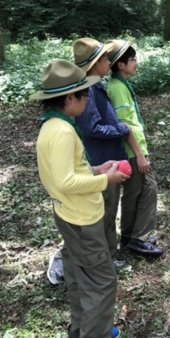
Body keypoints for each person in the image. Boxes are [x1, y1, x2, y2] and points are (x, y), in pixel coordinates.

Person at [31, 59, 129, 338]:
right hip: (81, 218)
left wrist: (96, 168)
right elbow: (65, 181)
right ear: (69, 98)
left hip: (68, 214)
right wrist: (105, 179)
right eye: (83, 95)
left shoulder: (54, 125)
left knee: (78, 276)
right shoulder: (62, 132)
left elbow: (69, 171)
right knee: (102, 280)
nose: (88, 100)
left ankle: (82, 333)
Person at [70, 38, 132, 271]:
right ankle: (106, 259)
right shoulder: (88, 90)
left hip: (108, 157)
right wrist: (121, 129)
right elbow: (92, 127)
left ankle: (107, 255)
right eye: (105, 58)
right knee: (105, 211)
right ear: (95, 64)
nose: (109, 61)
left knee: (109, 209)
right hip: (101, 160)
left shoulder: (96, 86)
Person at [106, 40, 163, 258]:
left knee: (141, 191)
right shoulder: (118, 89)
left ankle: (132, 237)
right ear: (120, 65)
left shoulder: (120, 85)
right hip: (131, 152)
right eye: (132, 60)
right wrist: (139, 154)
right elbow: (125, 125)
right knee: (142, 191)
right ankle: (137, 238)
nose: (135, 63)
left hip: (133, 150)